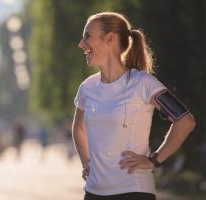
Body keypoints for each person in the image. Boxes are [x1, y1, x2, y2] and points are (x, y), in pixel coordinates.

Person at [72, 12, 195, 200]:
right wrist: (87, 163)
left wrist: (154, 160)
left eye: (87, 36)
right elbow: (78, 128)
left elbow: (184, 121)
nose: (81, 44)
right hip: (93, 192)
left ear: (110, 38)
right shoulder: (87, 88)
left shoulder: (143, 83)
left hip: (133, 191)